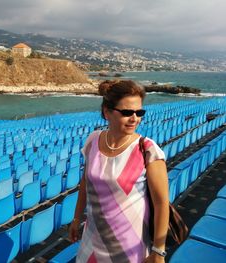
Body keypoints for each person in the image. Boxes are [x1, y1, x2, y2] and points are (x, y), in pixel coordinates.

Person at [69, 80, 169, 263]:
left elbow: (162, 203)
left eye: (139, 112)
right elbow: (85, 183)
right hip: (92, 239)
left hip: (129, 246)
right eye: (127, 112)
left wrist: (158, 251)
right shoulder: (93, 140)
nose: (134, 118)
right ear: (107, 112)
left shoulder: (148, 150)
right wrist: (76, 218)